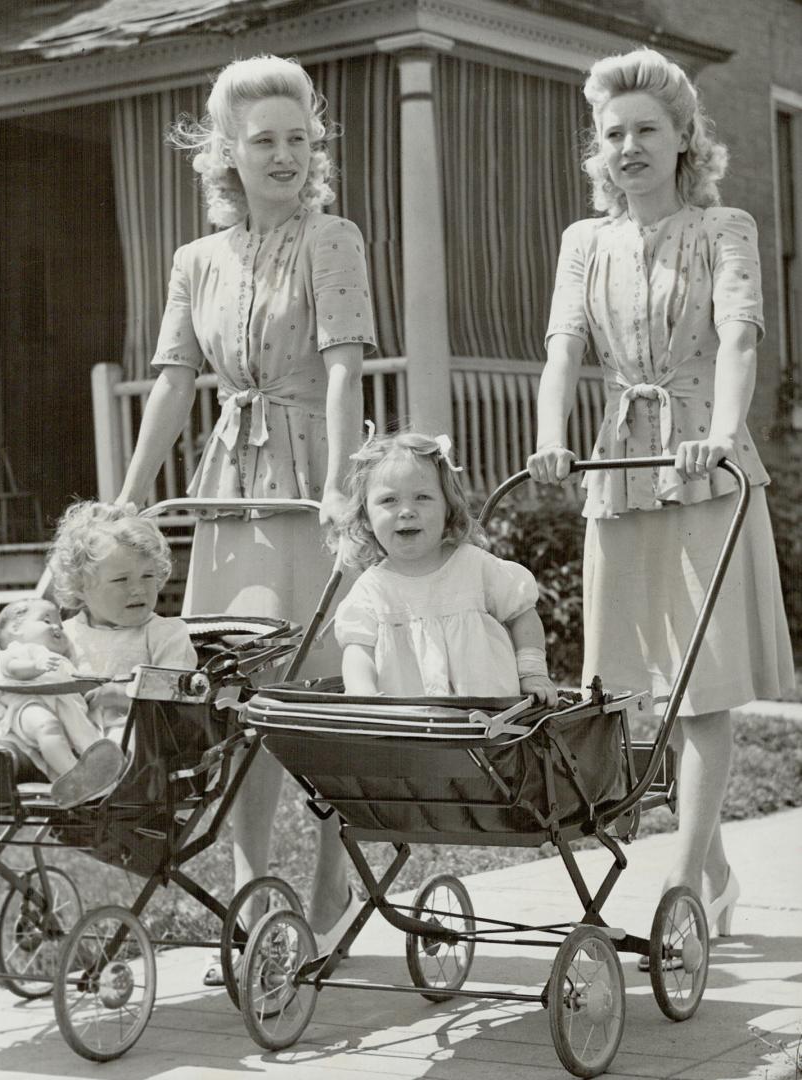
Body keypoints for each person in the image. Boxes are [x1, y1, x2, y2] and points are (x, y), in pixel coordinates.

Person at [114, 54, 377, 976]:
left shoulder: (331, 238)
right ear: (226, 152)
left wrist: (345, 488)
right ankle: (251, 881)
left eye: (299, 139)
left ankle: (333, 883)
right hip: (234, 483)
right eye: (263, 140)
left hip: (311, 477)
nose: (285, 156)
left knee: (325, 685)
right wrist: (132, 488)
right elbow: (173, 382)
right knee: (239, 689)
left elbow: (345, 368)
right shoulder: (197, 260)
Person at [527, 47, 794, 953]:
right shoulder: (581, 242)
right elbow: (562, 349)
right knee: (642, 694)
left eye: (648, 130)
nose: (630, 147)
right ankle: (713, 875)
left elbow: (737, 341)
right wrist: (550, 434)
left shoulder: (725, 228)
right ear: (596, 150)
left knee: (702, 693)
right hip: (620, 470)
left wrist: (719, 434)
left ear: (684, 138)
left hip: (702, 472)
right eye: (614, 134)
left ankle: (680, 881)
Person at [334, 429, 558, 705]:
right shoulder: (372, 589)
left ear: (448, 509)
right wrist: (362, 693)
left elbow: (521, 613)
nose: (406, 511)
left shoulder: (474, 566)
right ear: (366, 517)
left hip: (488, 719)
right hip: (406, 726)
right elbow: (358, 651)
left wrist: (532, 672)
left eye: (422, 498)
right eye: (389, 500)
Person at [47, 501, 198, 739]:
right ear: (80, 587)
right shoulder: (63, 635)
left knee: (126, 737)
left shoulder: (165, 634)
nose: (138, 589)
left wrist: (121, 694)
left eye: (148, 576)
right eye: (121, 580)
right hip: (69, 737)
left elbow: (177, 697)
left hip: (140, 743)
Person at [0, 597, 126, 808]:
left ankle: (89, 775)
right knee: (46, 724)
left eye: (60, 624)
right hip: (25, 707)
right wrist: (36, 665)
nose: (56, 627)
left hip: (60, 710)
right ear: (16, 627)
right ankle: (74, 776)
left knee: (83, 737)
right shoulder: (16, 650)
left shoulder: (61, 660)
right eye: (46, 620)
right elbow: (14, 669)